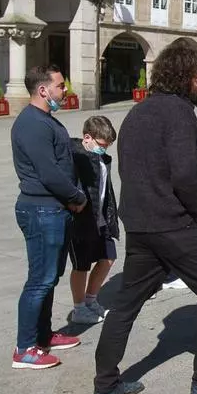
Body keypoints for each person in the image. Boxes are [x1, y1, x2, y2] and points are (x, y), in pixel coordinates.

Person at [94, 41, 197, 394]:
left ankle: (106, 385)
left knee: (126, 303)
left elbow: (132, 170)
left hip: (141, 225)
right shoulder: (178, 112)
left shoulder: (136, 113)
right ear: (186, 76)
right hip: (175, 223)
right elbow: (186, 175)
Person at [11, 65, 86, 370]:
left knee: (49, 278)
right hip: (42, 210)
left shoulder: (45, 120)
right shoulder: (32, 124)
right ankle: (25, 348)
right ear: (43, 90)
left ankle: (43, 335)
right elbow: (49, 172)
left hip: (54, 209)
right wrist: (76, 197)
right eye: (60, 85)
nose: (65, 90)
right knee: (39, 280)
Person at [67, 116, 119, 325]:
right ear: (87, 137)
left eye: (107, 146)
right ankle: (79, 308)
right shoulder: (74, 156)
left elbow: (107, 190)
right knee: (81, 265)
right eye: (101, 145)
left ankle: (91, 299)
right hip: (80, 220)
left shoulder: (103, 159)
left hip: (101, 219)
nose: (104, 150)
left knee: (108, 257)